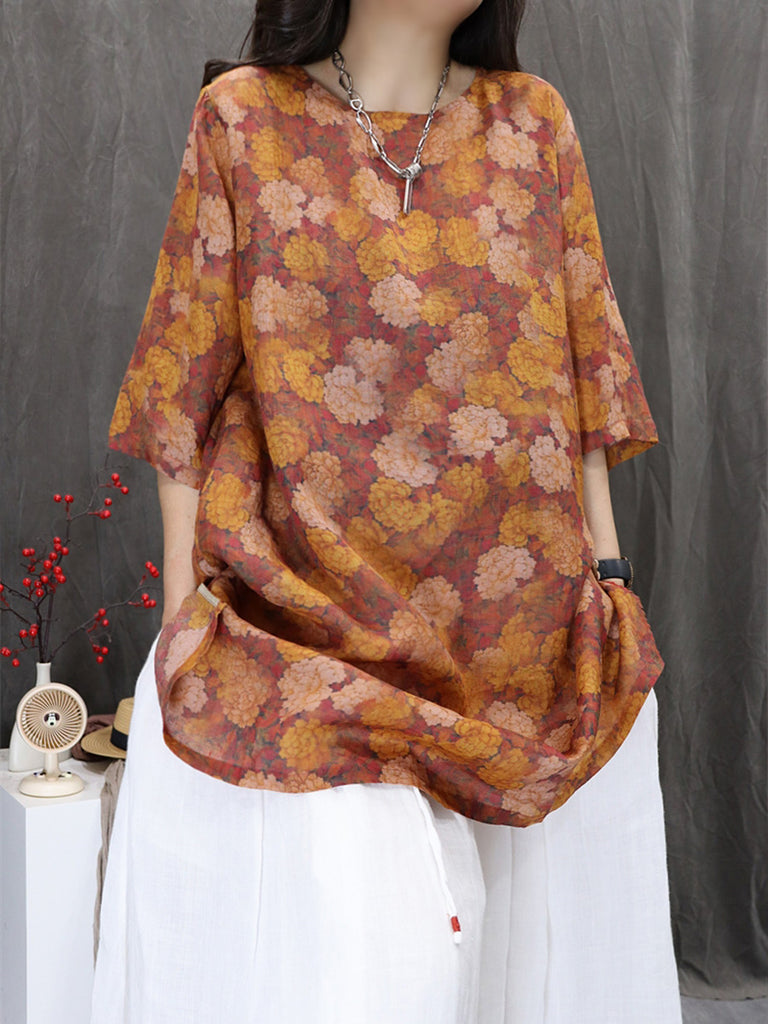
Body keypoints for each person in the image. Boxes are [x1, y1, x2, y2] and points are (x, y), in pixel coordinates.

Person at [92, 1, 683, 1021]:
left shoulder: (533, 119)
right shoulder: (244, 117)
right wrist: (183, 621)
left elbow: (586, 367)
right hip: (307, 628)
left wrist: (612, 579)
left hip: (522, 639)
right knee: (373, 971)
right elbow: (186, 376)